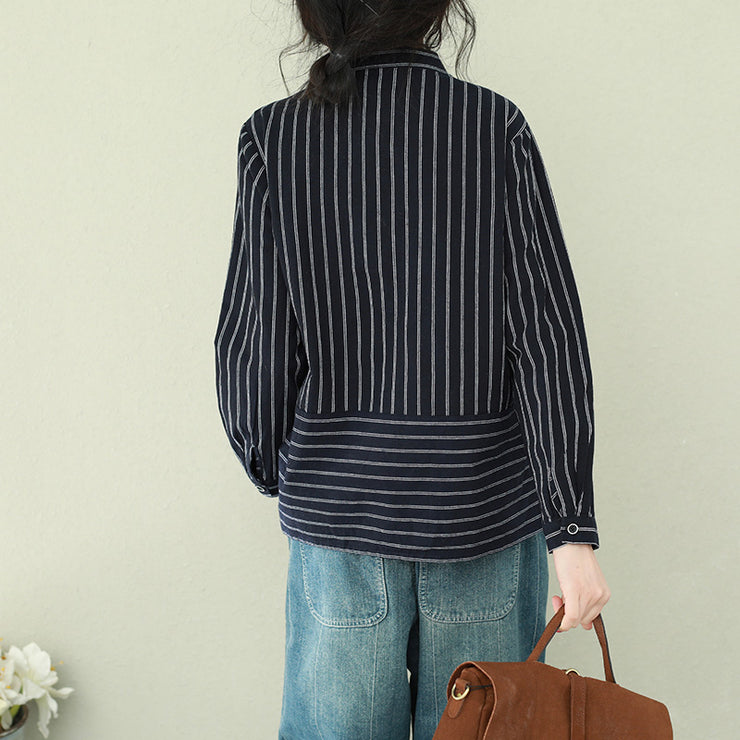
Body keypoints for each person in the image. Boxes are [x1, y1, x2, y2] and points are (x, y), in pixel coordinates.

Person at [214, 1, 611, 737]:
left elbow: (254, 342)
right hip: (483, 512)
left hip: (340, 515)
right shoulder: (493, 127)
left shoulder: (274, 137)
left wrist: (280, 469)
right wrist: (571, 529)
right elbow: (549, 336)